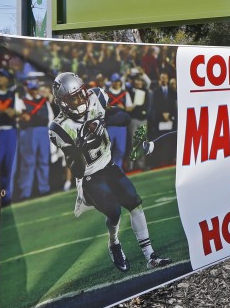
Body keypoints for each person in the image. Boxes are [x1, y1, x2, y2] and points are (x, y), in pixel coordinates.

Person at [49, 71, 172, 272]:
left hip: (108, 165)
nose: (80, 100)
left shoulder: (96, 97)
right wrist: (81, 144)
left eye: (80, 94)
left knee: (135, 203)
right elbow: (76, 168)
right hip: (89, 176)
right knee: (114, 211)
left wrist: (104, 121)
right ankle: (114, 243)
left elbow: (123, 117)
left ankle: (151, 256)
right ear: (62, 102)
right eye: (73, 98)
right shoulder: (59, 127)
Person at [15, 78, 52, 201]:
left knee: (44, 160)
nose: (34, 91)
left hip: (43, 132)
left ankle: (44, 188)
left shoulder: (44, 101)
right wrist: (21, 118)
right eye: (32, 89)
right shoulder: (22, 101)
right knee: (28, 162)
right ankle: (25, 191)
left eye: (35, 89)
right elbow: (17, 117)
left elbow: (51, 117)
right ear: (27, 89)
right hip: (28, 132)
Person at [0, 67, 18, 205]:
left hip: (10, 131)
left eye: (2, 76)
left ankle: (8, 195)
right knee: (0, 163)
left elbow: (13, 112)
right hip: (0, 132)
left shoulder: (12, 94)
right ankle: (2, 193)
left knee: (10, 164)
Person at [105, 72, 131, 171]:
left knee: (121, 150)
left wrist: (123, 107)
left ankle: (118, 170)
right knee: (107, 150)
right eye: (114, 82)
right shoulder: (106, 93)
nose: (116, 83)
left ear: (120, 82)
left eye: (117, 81)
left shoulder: (125, 93)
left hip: (121, 126)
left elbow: (129, 108)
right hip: (110, 124)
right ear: (111, 82)